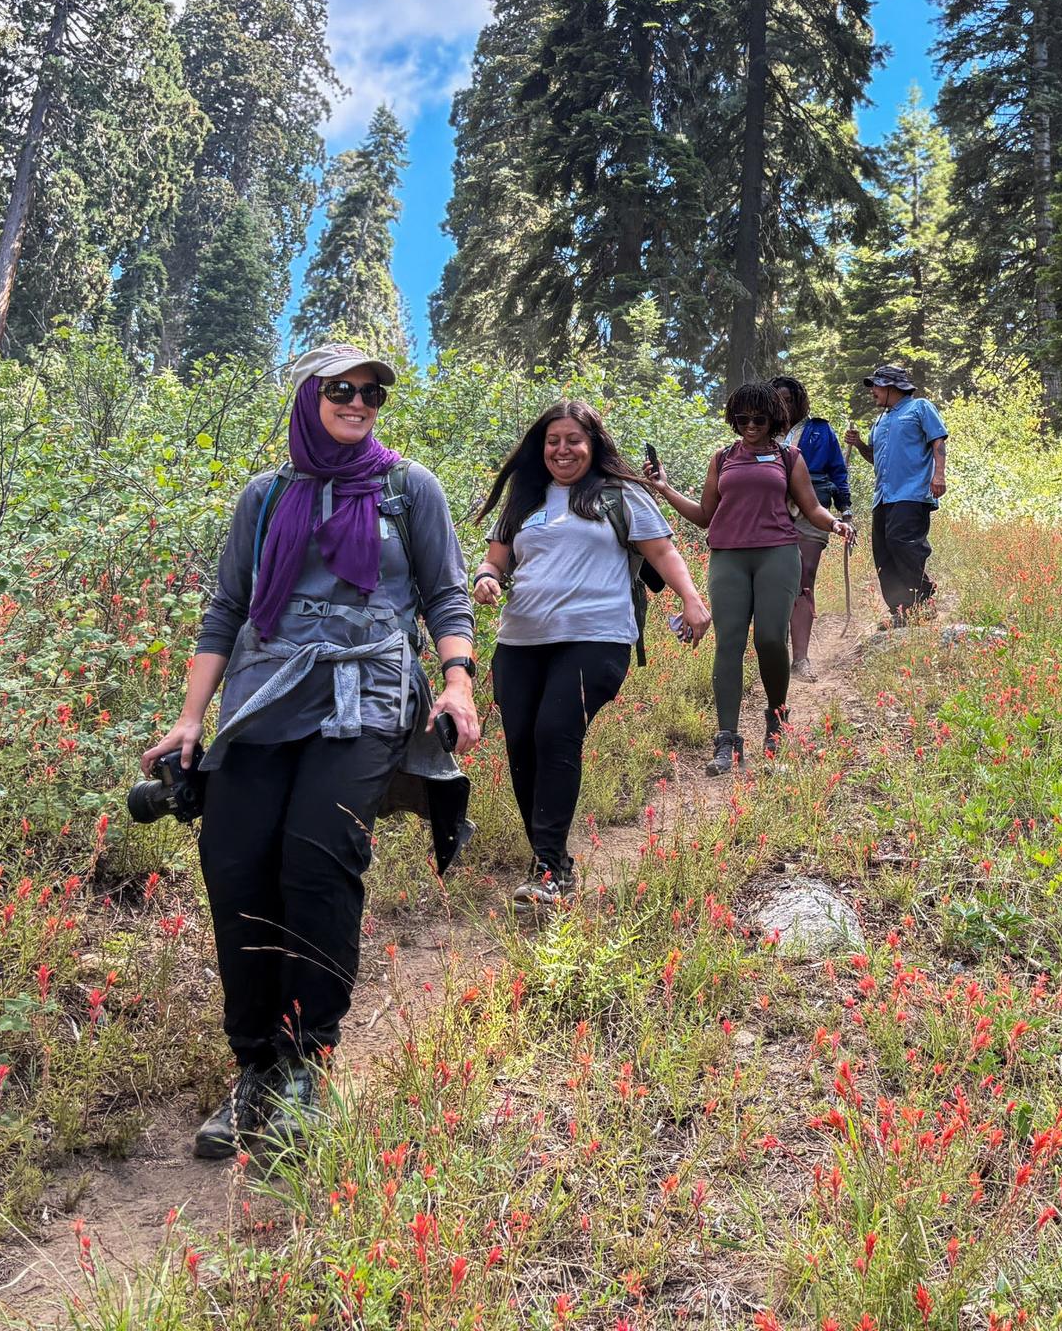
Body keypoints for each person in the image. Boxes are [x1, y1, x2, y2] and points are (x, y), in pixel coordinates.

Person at [142, 345, 481, 1160]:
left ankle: (306, 1064)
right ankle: (255, 1066)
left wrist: (459, 681)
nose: (359, 402)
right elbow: (226, 609)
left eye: (371, 393)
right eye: (342, 390)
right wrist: (192, 719)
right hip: (262, 697)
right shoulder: (265, 497)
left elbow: (444, 593)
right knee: (235, 865)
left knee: (318, 861)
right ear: (308, 396)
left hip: (364, 692)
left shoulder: (409, 489)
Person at [472, 400, 709, 912]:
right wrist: (487, 577)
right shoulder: (526, 498)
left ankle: (550, 868)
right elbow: (497, 557)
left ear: (593, 444)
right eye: (552, 440)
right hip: (520, 640)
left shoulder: (622, 495)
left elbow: (664, 552)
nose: (562, 449)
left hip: (597, 636)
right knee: (521, 745)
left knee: (555, 731)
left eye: (573, 440)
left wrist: (692, 600)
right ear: (542, 448)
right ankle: (547, 857)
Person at [644, 382, 855, 775]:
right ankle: (727, 739)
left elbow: (811, 509)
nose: (751, 425)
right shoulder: (722, 459)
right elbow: (706, 514)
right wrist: (665, 489)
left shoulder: (789, 457)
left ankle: (777, 719)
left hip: (777, 552)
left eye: (759, 418)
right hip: (728, 556)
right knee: (730, 642)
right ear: (734, 419)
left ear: (774, 419)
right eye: (743, 419)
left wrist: (837, 524)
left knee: (771, 638)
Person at [845, 363, 948, 625]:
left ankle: (924, 601)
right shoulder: (880, 421)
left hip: (912, 493)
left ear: (892, 386)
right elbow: (875, 458)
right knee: (884, 552)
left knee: (904, 544)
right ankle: (900, 612)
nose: (873, 392)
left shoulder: (920, 407)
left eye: (876, 386)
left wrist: (939, 475)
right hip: (883, 497)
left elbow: (938, 440)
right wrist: (858, 445)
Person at [771, 375, 852, 681]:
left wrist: (845, 511)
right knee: (773, 579)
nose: (783, 405)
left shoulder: (820, 430)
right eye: (777, 399)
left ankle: (800, 658)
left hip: (814, 503)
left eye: (788, 400)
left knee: (805, 576)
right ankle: (774, 652)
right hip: (772, 508)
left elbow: (837, 470)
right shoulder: (761, 430)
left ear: (799, 402)